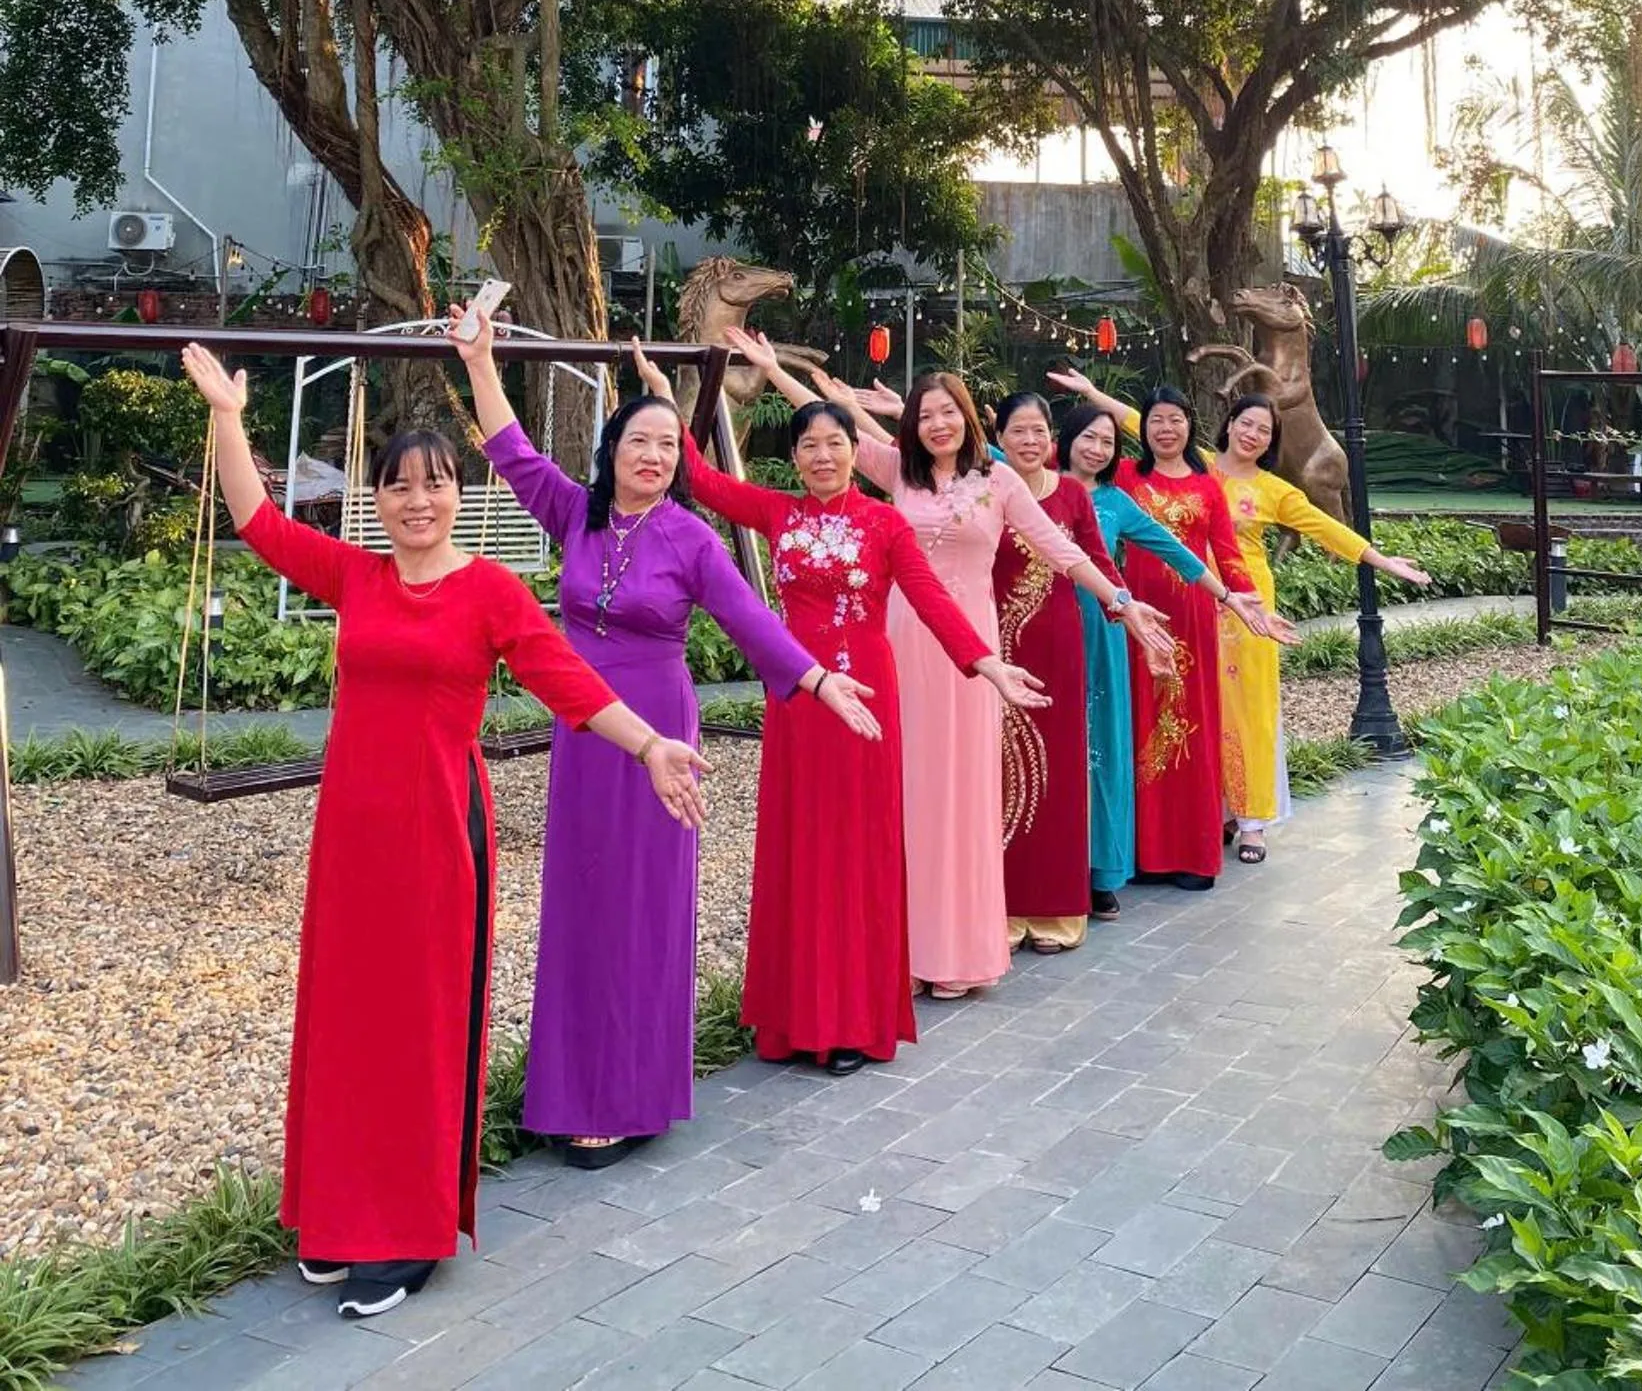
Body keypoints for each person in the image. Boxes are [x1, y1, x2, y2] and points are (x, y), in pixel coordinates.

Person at [177, 342, 703, 1324]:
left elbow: (568, 682)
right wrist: (227, 418)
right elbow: (256, 519)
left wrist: (648, 746)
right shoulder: (358, 576)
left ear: (460, 493)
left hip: (436, 832)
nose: (417, 501)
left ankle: (408, 1232)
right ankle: (338, 1214)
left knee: (417, 1028)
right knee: (345, 1021)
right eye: (398, 485)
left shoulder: (491, 592)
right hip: (351, 835)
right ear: (376, 499)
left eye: (435, 483)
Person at [449, 303, 877, 1162]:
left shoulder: (689, 538)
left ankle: (631, 1092)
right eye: (639, 441)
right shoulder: (576, 513)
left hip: (660, 736)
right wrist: (480, 362)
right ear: (611, 450)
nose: (654, 456)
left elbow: (752, 620)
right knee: (582, 901)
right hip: (585, 731)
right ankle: (569, 1089)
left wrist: (818, 680)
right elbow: (511, 449)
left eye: (668, 446)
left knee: (640, 906)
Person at [630, 353, 1048, 1071]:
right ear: (794, 458)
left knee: (857, 854)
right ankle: (792, 1019)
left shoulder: (885, 523)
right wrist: (668, 397)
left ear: (857, 451)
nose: (822, 456)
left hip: (867, 702)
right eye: (809, 446)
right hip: (798, 700)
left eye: (835, 444)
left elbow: (931, 601)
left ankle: (851, 1020)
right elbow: (697, 478)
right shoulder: (777, 513)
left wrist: (985, 663)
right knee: (799, 851)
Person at [724, 332, 1174, 997]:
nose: (937, 424)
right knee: (901, 793)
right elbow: (834, 433)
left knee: (960, 797)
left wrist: (1123, 603)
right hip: (898, 645)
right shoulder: (899, 473)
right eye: (925, 414)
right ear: (913, 423)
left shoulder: (998, 480)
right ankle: (899, 950)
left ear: (967, 417)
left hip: (969, 653)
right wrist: (773, 370)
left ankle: (956, 953)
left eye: (948, 412)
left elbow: (1062, 550)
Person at [1052, 371, 1430, 863]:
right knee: (1188, 710)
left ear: (1272, 442)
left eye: (1263, 431)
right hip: (1176, 604)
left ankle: (1253, 821)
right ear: (1227, 424)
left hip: (1244, 604)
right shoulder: (1199, 466)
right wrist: (1090, 394)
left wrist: (1379, 560)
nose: (1252, 434)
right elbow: (1142, 422)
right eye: (1245, 424)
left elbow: (1325, 528)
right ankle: (1208, 811)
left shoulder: (1275, 491)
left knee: (1247, 711)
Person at [1051, 399, 1288, 915]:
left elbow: (1222, 553)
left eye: (1176, 419)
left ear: (1191, 425)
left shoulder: (1207, 486)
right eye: (1155, 419)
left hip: (1191, 618)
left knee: (1189, 726)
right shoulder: (1123, 476)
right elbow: (1023, 457)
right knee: (1131, 726)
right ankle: (1137, 852)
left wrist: (1242, 600)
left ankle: (1190, 850)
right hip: (1131, 614)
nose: (1165, 428)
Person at [990, 391, 1130, 955]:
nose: (1029, 441)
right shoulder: (986, 487)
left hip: (1059, 647)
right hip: (996, 648)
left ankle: (1056, 908)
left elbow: (1097, 560)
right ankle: (999, 907)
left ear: (1052, 440)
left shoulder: (1071, 494)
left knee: (1060, 776)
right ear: (998, 438)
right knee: (999, 774)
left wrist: (1128, 611)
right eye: (1017, 431)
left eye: (1038, 431)